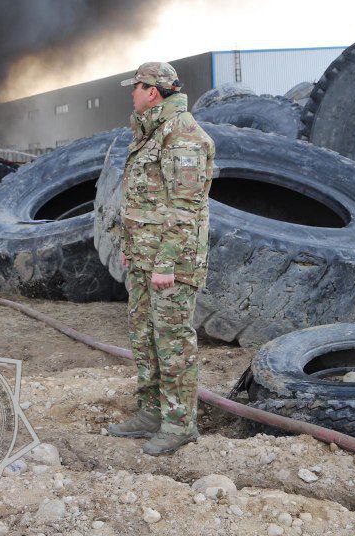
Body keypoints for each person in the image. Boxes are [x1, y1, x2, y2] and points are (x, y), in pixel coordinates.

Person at [107, 62, 215, 456]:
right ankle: (151, 411)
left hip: (170, 262)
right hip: (144, 258)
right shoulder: (150, 133)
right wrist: (129, 246)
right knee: (144, 335)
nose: (130, 94)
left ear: (152, 91)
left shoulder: (182, 136)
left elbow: (185, 209)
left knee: (172, 341)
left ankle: (179, 422)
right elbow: (144, 200)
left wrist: (166, 263)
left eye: (134, 87)